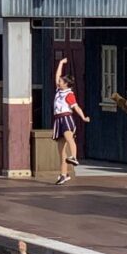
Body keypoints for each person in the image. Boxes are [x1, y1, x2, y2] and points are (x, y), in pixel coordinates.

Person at [53, 58, 90, 186]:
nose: (59, 81)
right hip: (58, 119)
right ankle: (63, 174)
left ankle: (74, 156)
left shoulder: (69, 94)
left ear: (66, 84)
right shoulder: (59, 91)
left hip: (66, 118)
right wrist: (60, 63)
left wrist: (83, 117)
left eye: (62, 81)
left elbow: (76, 107)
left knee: (70, 139)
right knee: (61, 151)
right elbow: (57, 75)